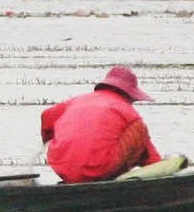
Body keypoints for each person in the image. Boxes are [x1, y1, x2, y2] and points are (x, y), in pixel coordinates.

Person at [40, 67, 173, 183]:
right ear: (129, 94)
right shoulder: (131, 115)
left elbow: (46, 116)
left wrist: (59, 144)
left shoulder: (76, 101)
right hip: (97, 170)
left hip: (63, 169)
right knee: (139, 128)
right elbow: (153, 159)